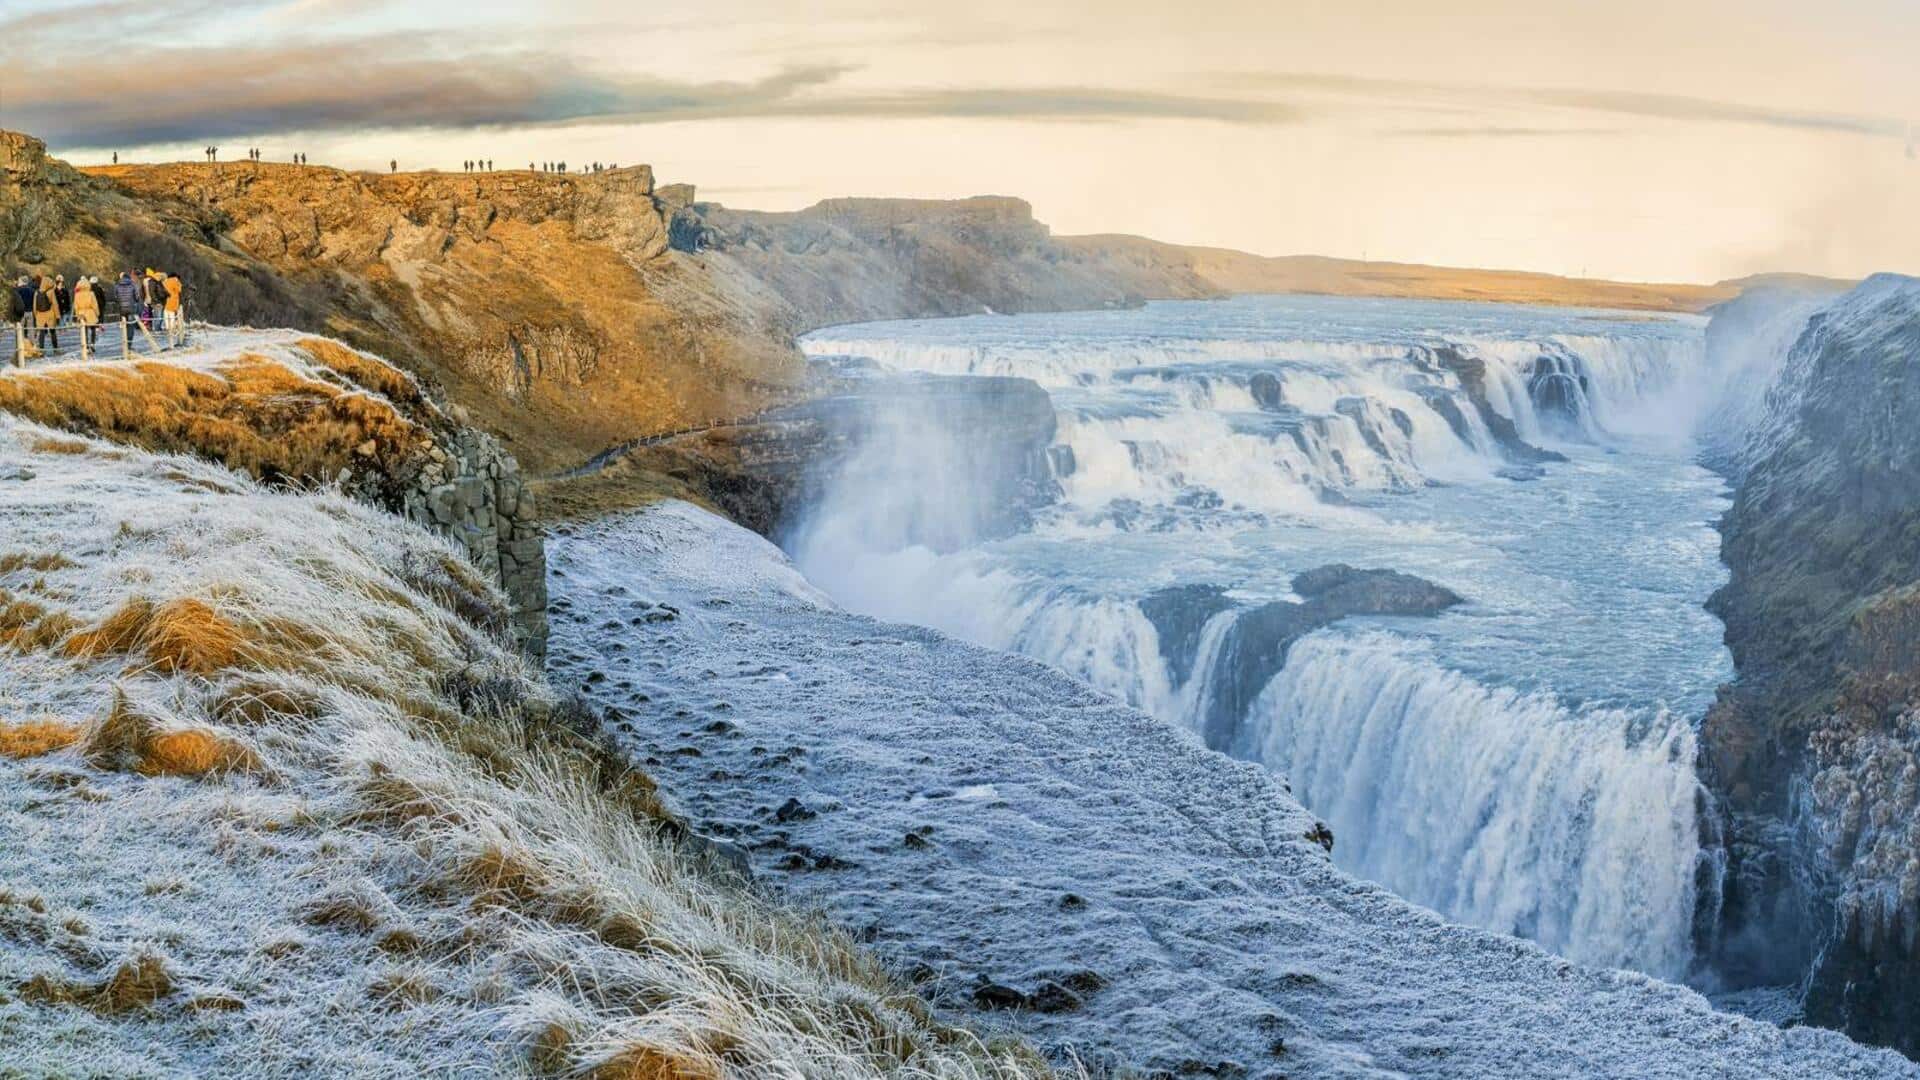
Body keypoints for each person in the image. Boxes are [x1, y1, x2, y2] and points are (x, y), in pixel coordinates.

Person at [32, 275, 60, 351]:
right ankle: (55, 348)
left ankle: (41, 349)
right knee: (52, 332)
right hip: (50, 314)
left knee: (41, 333)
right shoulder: (51, 292)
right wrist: (57, 316)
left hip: (40, 315)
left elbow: (34, 306)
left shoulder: (36, 292)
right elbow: (55, 304)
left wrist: (35, 315)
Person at [72, 277, 100, 347]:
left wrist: (77, 315)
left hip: (81, 313)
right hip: (90, 313)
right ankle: (92, 344)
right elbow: (95, 305)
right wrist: (97, 313)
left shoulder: (77, 295)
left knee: (84, 330)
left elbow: (76, 306)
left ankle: (86, 344)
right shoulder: (91, 294)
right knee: (93, 329)